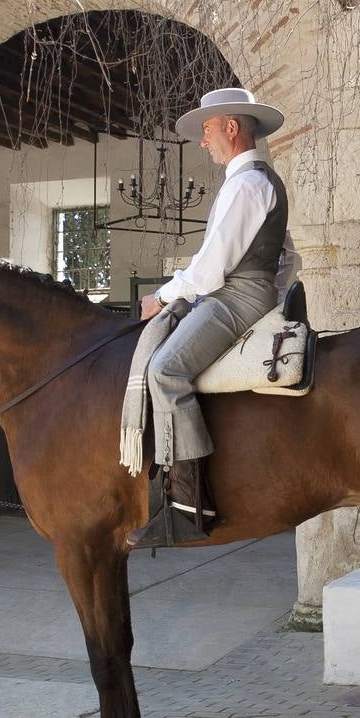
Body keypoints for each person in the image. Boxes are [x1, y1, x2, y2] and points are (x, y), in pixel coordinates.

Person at [134, 87, 299, 539]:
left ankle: (189, 501)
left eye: (207, 130)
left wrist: (162, 298)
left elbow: (209, 270)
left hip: (234, 298)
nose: (202, 141)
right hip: (250, 293)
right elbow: (288, 258)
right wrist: (272, 293)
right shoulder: (261, 180)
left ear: (231, 127)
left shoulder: (245, 184)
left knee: (166, 370)